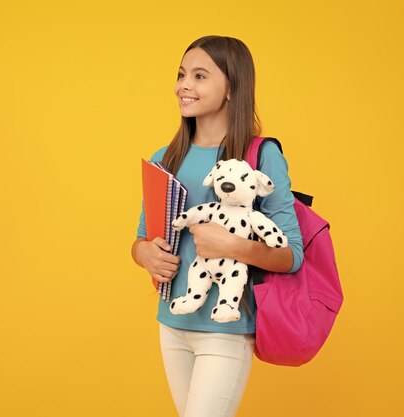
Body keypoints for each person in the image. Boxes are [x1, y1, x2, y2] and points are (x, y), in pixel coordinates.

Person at [130, 36, 304, 417]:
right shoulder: (166, 157)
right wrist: (144, 254)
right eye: (181, 75)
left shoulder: (261, 155)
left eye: (199, 76)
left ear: (231, 88)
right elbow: (143, 236)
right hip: (172, 323)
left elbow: (292, 254)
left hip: (225, 330)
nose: (183, 86)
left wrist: (231, 245)